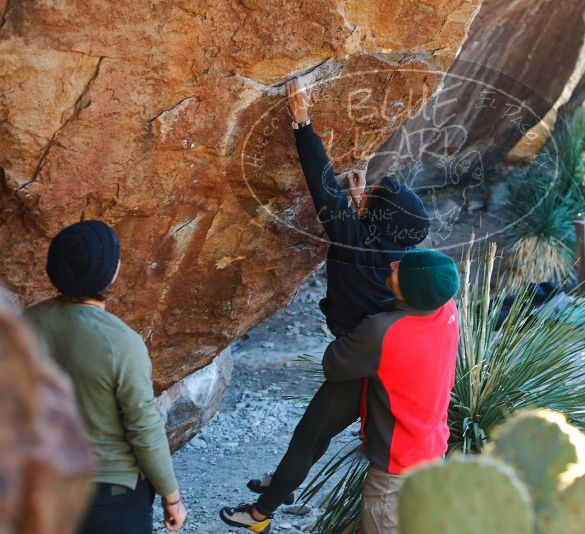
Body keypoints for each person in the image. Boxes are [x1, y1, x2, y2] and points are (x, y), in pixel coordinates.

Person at [220, 77, 430, 531]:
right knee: (314, 435)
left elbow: (320, 182)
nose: (367, 190)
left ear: (377, 217)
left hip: (359, 364)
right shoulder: (402, 260)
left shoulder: (356, 239)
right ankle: (283, 483)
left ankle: (259, 515)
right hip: (380, 360)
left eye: (373, 195)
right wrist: (361, 202)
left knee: (308, 437)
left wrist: (302, 121)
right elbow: (370, 236)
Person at [223, 249, 459, 533]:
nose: (393, 264)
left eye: (400, 270)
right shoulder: (447, 310)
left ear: (411, 290)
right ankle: (272, 497)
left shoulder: (382, 331)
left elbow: (333, 365)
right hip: (433, 447)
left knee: (307, 440)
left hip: (395, 469)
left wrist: (355, 329)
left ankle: (264, 508)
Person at [24, 220, 187, 533]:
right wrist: (172, 495)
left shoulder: (26, 324)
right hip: (110, 496)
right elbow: (143, 427)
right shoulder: (121, 342)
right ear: (111, 274)